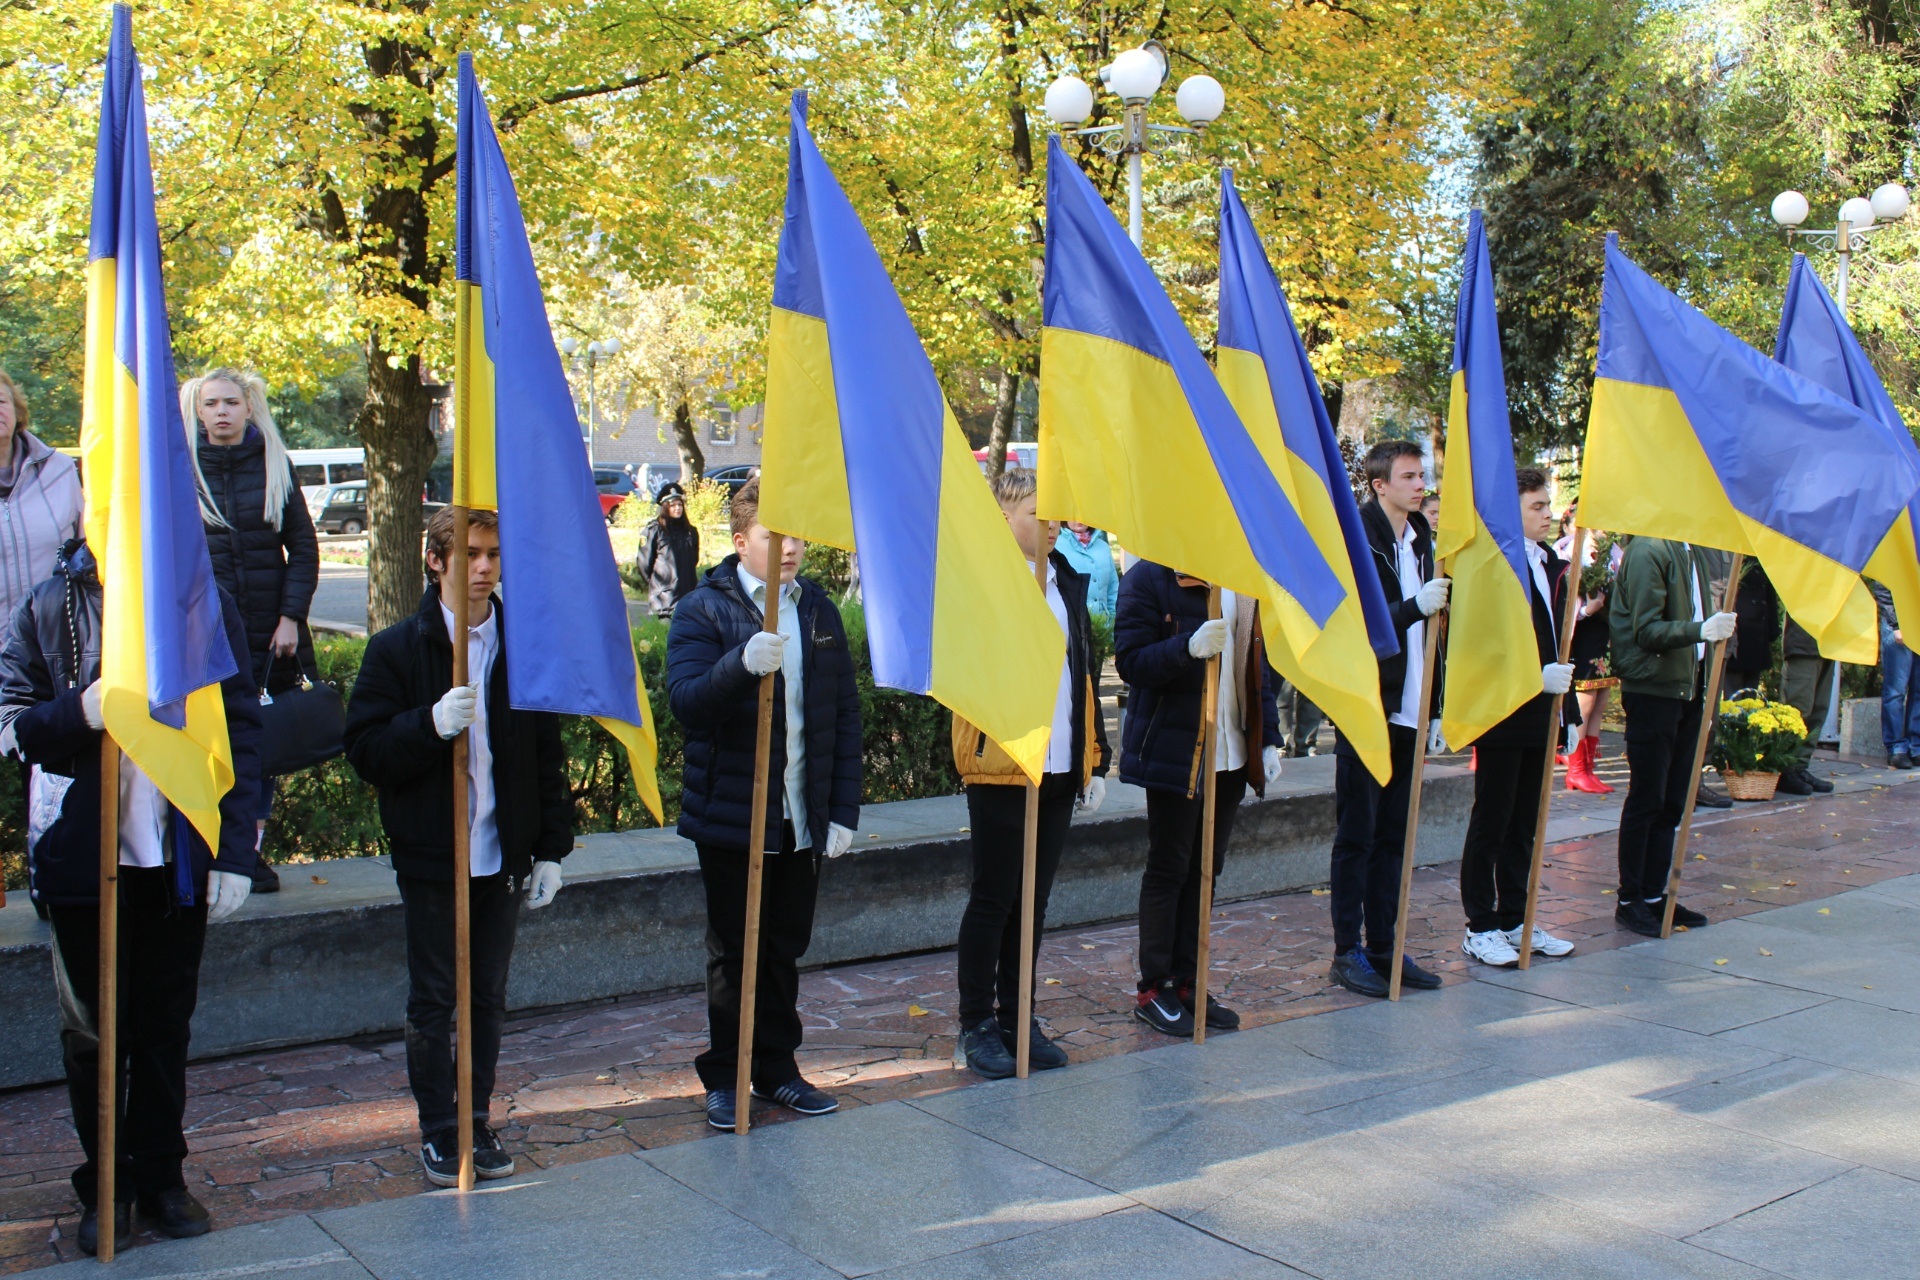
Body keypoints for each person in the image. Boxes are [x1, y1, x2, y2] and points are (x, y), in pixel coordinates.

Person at [0, 539, 260, 1255]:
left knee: (162, 1026)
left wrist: (234, 851)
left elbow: (239, 725)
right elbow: (12, 723)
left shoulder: (204, 604)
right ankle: (107, 1182)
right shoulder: (51, 605)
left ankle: (161, 1178)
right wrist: (81, 712)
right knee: (92, 1037)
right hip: (83, 864)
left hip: (173, 859)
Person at [343, 507, 573, 1187]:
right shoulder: (397, 649)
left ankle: (475, 1119)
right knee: (434, 1001)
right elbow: (364, 749)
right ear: (436, 560)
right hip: (433, 857)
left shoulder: (521, 643)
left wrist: (552, 848)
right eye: (470, 553)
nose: (484, 567)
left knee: (488, 998)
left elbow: (546, 756)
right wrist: (428, 724)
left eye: (495, 555)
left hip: (501, 853)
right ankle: (439, 1131)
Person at [666, 477, 861, 1130]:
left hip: (799, 814)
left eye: (797, 536)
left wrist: (843, 810)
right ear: (741, 539)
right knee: (733, 948)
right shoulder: (704, 610)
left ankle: (776, 1068)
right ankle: (726, 1074)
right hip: (731, 815)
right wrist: (739, 665)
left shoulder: (818, 611)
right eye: (775, 537)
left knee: (782, 945)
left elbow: (841, 715)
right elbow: (688, 704)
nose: (790, 549)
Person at [952, 473, 1110, 1077]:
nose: (1050, 524)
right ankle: (976, 1024)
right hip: (1003, 761)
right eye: (1036, 513)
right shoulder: (983, 582)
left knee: (1034, 900)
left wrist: (1095, 756)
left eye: (1054, 515)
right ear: (1002, 515)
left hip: (1060, 764)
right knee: (994, 895)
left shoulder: (1065, 578)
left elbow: (1084, 672)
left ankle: (1021, 1012)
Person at [1114, 555, 1283, 1037]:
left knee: (1207, 868)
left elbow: (1256, 665)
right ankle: (1154, 987)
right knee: (1170, 865)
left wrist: (1268, 735)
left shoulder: (1241, 575)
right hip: (1178, 747)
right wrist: (1184, 648)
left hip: (1231, 748)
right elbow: (1129, 661)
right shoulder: (1150, 575)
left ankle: (1189, 978)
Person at [183, 369, 320, 893]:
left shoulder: (274, 465)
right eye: (211, 403)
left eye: (231, 403)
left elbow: (303, 546)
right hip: (204, 631)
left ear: (247, 408)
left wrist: (291, 616)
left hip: (266, 632)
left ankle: (247, 853)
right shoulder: (183, 468)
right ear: (199, 410)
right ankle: (207, 844)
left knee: (258, 749)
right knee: (205, 736)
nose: (221, 411)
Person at [1325, 441, 1449, 998]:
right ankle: (1346, 950)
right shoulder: (1360, 541)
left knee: (1394, 838)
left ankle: (1385, 947)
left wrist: (1437, 705)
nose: (1420, 485)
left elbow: (1434, 642)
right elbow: (1357, 627)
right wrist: (1412, 607)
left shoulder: (1423, 542)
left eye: (1422, 475)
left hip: (1411, 711)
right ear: (1379, 485)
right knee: (1358, 836)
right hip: (1368, 707)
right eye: (1408, 476)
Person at [1458, 469, 1578, 967]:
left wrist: (1565, 711)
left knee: (1525, 821)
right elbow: (1489, 641)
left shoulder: (1548, 560)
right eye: (1537, 507)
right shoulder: (1497, 565)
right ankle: (1479, 925)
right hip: (1505, 706)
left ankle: (1514, 917)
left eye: (1548, 506)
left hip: (1542, 706)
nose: (1548, 515)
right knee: (1494, 817)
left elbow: (1554, 636)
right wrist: (1534, 677)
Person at [1609, 536, 1734, 937]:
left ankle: (1652, 893)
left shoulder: (1690, 549)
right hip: (1653, 689)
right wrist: (1702, 629)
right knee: (1648, 797)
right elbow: (1646, 629)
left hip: (1685, 688)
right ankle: (1630, 898)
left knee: (1673, 800)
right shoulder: (1650, 549)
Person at [1557, 526, 1617, 795]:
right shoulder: (1571, 550)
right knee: (1586, 700)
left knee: (1601, 699)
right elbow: (1563, 599)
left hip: (1604, 633)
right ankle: (1576, 770)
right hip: (1583, 634)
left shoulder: (1614, 552)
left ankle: (1588, 769)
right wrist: (1584, 609)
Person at [1778, 616, 1836, 796]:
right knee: (1797, 711)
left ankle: (1799, 767)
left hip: (1827, 644)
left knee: (1819, 710)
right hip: (1802, 644)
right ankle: (1784, 770)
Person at [634, 481, 700, 618]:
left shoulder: (690, 532)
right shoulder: (654, 530)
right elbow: (644, 563)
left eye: (680, 504)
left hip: (687, 599)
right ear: (665, 506)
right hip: (663, 601)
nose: (677, 508)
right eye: (673, 505)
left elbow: (693, 560)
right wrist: (658, 585)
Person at [1873, 581, 1917, 769]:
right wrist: (1896, 624)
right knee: (1895, 690)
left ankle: (1916, 747)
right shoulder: (1897, 550)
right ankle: (1896, 748)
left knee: (1919, 689)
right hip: (1899, 626)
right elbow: (1883, 585)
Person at [1052, 521, 1118, 621]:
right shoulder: (1056, 547)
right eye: (1072, 514)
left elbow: (1113, 589)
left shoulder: (1103, 547)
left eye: (1082, 513)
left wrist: (1113, 622)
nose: (1078, 519)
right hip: (1072, 627)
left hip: (1105, 628)